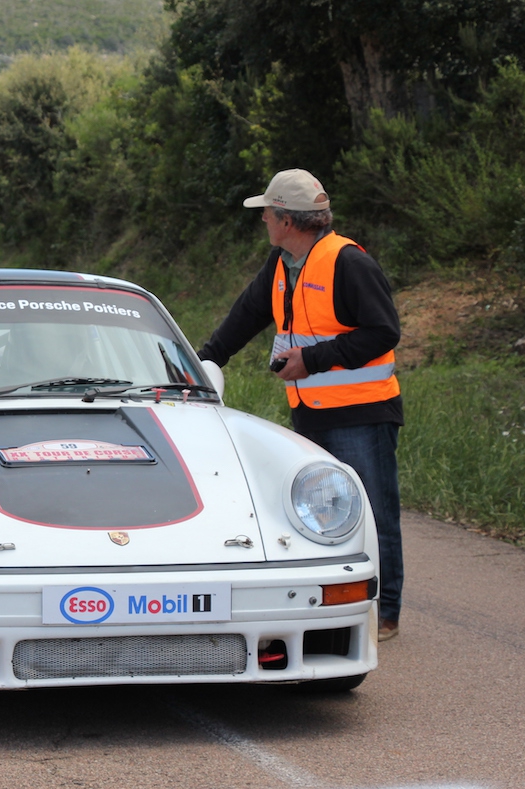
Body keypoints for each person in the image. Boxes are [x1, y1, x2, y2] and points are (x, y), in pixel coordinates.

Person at [197, 169, 404, 642]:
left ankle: (385, 611)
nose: (264, 220)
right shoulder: (281, 262)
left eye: (267, 213)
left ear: (287, 219)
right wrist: (201, 362)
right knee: (318, 513)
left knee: (373, 513)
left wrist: (313, 359)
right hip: (310, 411)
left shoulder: (348, 262)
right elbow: (246, 316)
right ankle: (328, 607)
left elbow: (383, 332)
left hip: (362, 414)